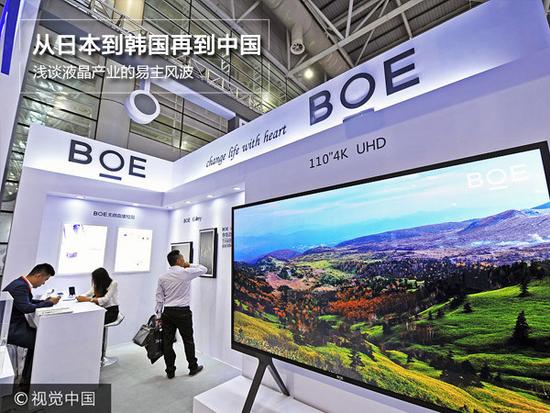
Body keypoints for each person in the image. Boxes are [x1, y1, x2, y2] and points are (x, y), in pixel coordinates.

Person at [2, 263, 60, 384]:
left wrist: (45, 301)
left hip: (13, 325)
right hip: (10, 329)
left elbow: (27, 301)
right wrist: (49, 303)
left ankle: (27, 377)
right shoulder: (20, 286)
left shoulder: (20, 283)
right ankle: (29, 380)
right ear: (38, 276)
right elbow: (26, 307)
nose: (44, 283)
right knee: (40, 342)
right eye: (45, 279)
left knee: (37, 339)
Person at [156, 250, 207, 379]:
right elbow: (204, 269)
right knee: (188, 340)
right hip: (183, 312)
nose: (184, 261)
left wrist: (158, 316)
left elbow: (159, 299)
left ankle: (170, 371)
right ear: (178, 261)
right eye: (183, 259)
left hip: (167, 312)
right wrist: (189, 265)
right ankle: (193, 367)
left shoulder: (162, 277)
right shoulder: (185, 273)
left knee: (168, 342)